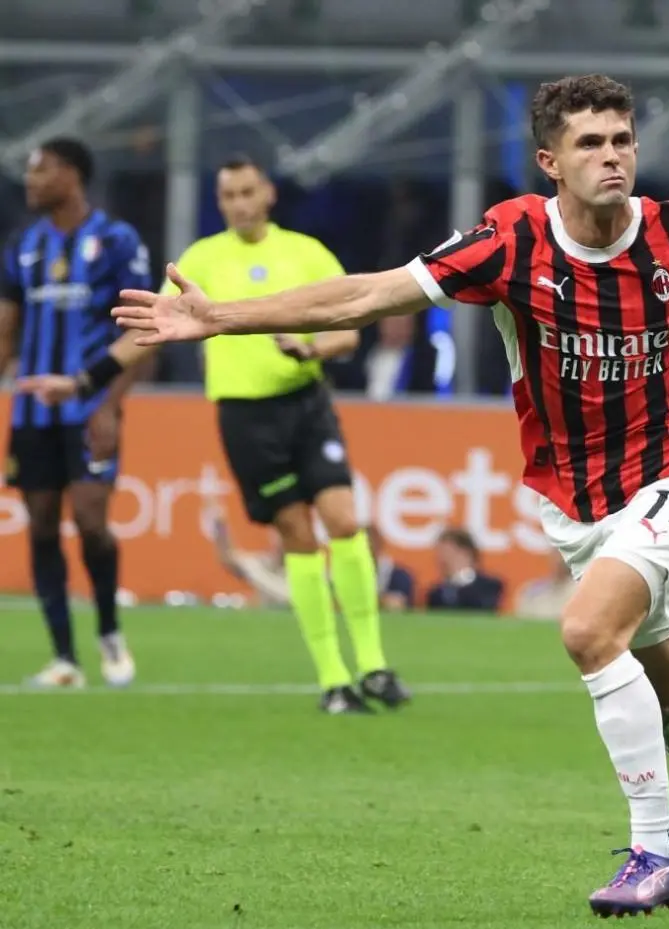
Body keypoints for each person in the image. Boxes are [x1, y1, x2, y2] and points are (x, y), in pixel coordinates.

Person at [101, 73, 669, 917]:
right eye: (591, 143)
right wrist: (219, 318)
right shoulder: (508, 242)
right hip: (577, 503)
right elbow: (371, 295)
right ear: (550, 162)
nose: (613, 156)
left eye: (623, 140)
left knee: (586, 631)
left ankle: (653, 854)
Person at [17, 155, 410, 717]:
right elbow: (151, 330)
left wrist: (311, 348)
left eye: (247, 192)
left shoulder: (305, 252)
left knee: (344, 521)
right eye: (228, 195)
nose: (239, 204)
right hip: (245, 417)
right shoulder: (202, 258)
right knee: (298, 535)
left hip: (307, 404)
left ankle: (373, 665)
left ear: (268, 194)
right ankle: (334, 680)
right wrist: (83, 381)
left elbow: (349, 329)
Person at [0, 138, 149, 689]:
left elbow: (141, 329)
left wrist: (110, 406)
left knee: (91, 522)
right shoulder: (23, 244)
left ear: (71, 175)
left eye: (41, 170)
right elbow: (6, 328)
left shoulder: (116, 240)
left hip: (89, 406)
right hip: (32, 412)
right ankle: (64, 657)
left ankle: (108, 630)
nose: (31, 180)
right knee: (41, 525)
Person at [424, 527, 505, 612]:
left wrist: (460, 580)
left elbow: (483, 607)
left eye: (449, 552)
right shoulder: (436, 593)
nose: (443, 558)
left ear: (465, 553)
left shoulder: (489, 585)